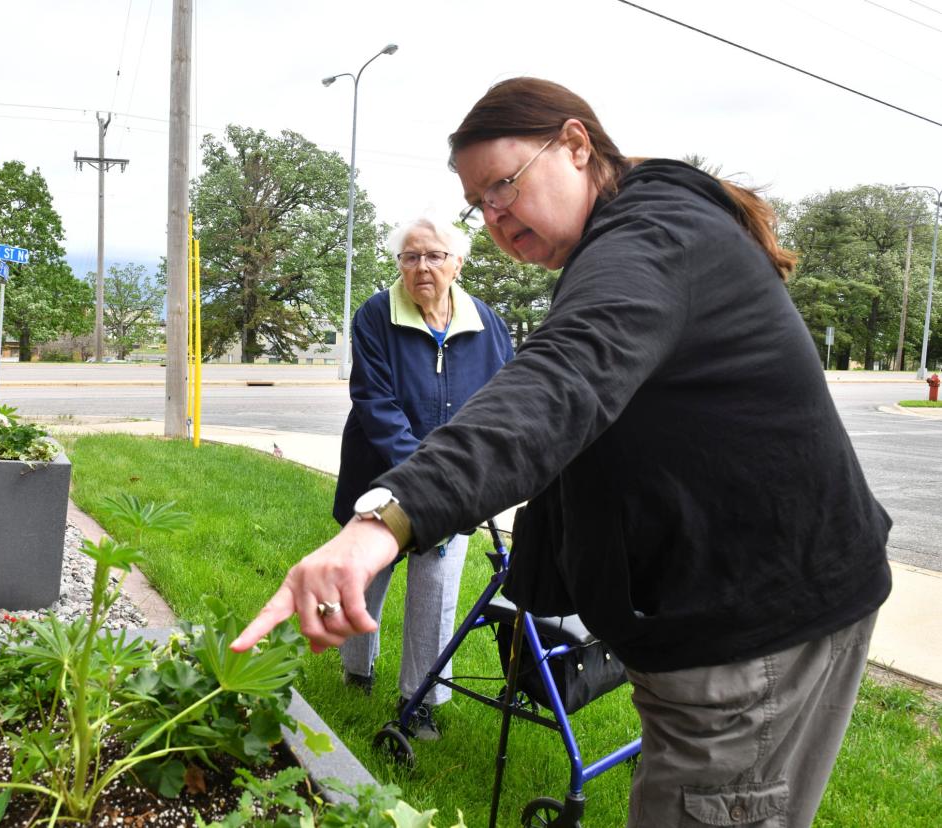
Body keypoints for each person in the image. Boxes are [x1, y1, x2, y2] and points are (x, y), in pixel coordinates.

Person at [234, 78, 891, 827]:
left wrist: (386, 517)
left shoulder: (648, 240)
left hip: (755, 626)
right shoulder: (631, 237)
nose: (494, 215)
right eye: (478, 203)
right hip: (740, 598)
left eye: (504, 185)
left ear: (577, 145)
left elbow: (562, 380)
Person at [332, 214, 513, 739]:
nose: (421, 267)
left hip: (455, 483)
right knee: (368, 577)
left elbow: (503, 399)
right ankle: (356, 671)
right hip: (380, 477)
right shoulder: (374, 316)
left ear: (458, 262)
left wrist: (462, 481)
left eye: (434, 255)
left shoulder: (485, 323)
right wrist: (421, 486)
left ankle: (422, 699)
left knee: (436, 589)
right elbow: (376, 404)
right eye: (410, 257)